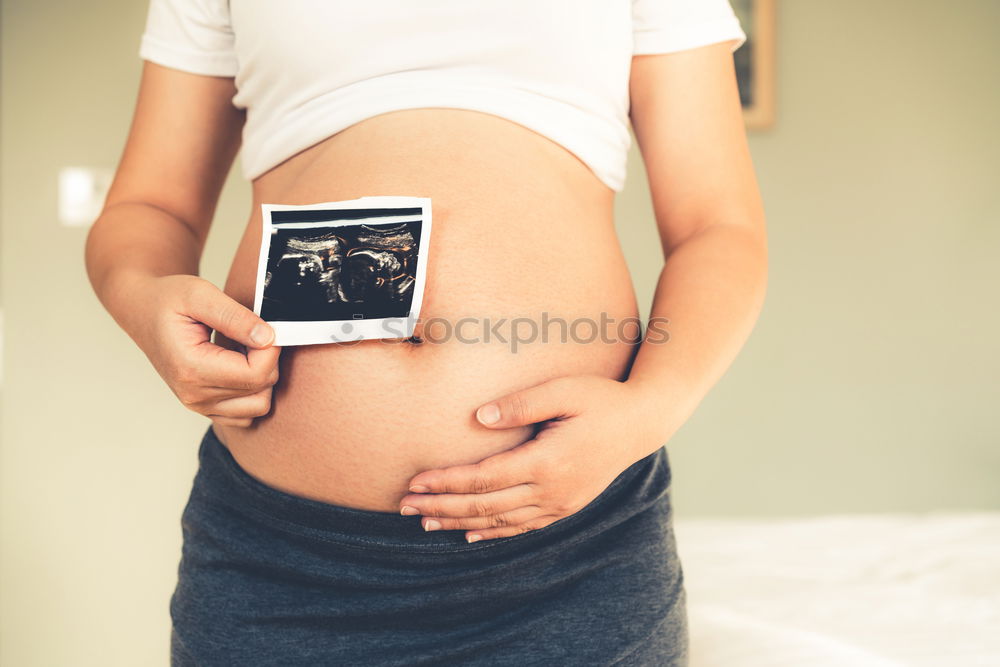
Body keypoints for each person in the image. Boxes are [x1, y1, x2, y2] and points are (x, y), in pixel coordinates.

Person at [84, 0, 768, 664]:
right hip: (281, 561)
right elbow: (150, 205)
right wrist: (143, 298)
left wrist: (650, 409)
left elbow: (719, 228)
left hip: (568, 554)